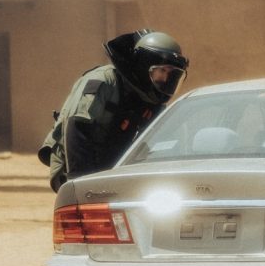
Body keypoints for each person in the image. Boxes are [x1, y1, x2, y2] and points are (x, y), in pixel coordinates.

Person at [38, 29, 189, 192]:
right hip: (73, 167)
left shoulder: (152, 102)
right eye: (162, 71)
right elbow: (77, 130)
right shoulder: (103, 82)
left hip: (114, 168)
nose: (165, 79)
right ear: (144, 66)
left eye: (171, 73)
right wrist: (82, 184)